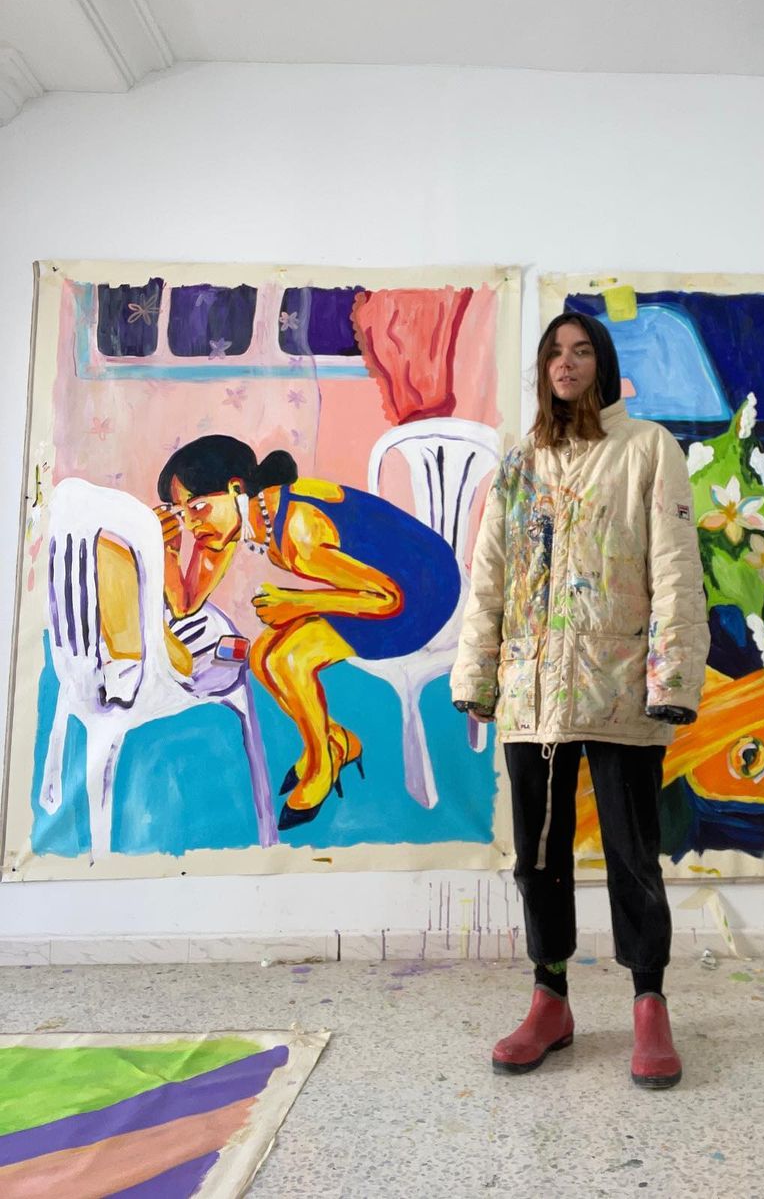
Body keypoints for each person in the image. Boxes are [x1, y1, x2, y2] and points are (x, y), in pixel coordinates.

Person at [451, 312, 708, 1089]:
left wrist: (673, 679)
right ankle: (550, 999)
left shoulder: (647, 448)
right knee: (537, 859)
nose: (566, 363)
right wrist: (477, 677)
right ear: (543, 369)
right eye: (554, 353)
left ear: (603, 362)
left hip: (621, 687)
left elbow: (676, 567)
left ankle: (649, 1003)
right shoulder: (520, 463)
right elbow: (489, 578)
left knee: (633, 855)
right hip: (532, 695)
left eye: (581, 350)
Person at [155, 436, 460, 830]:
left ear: (235, 489)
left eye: (196, 508)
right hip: (375, 592)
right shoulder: (234, 520)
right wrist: (168, 548)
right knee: (262, 656)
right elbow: (185, 604)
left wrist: (298, 603)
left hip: (422, 597)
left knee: (290, 658)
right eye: (180, 513)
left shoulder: (299, 530)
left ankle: (321, 765)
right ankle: (334, 742)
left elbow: (388, 598)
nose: (191, 523)